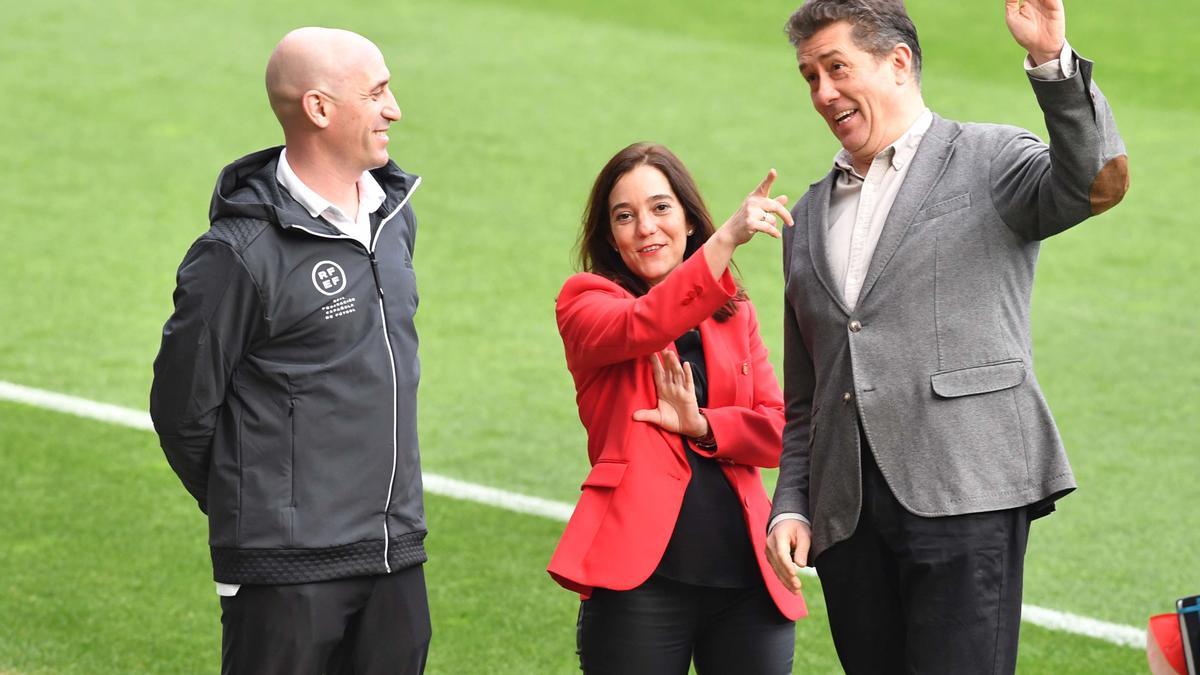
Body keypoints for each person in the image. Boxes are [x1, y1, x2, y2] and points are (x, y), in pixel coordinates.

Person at [764, 0, 1129, 672]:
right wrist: (791, 503)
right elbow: (805, 396)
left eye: (837, 68)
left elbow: (1094, 183)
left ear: (897, 62)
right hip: (848, 522)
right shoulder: (806, 215)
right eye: (810, 76)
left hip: (966, 493)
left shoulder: (991, 158)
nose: (823, 93)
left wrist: (1052, 63)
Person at [149, 27, 430, 675]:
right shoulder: (237, 255)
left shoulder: (393, 217)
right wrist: (260, 502)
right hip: (285, 568)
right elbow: (182, 410)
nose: (395, 110)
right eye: (378, 92)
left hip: (394, 555)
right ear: (319, 108)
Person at [548, 142, 807, 674]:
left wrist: (705, 425)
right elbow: (647, 323)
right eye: (625, 216)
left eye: (661, 208)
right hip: (642, 581)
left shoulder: (733, 311)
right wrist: (728, 240)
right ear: (611, 239)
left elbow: (780, 430)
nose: (646, 227)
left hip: (748, 579)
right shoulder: (585, 302)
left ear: (689, 220)